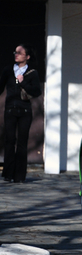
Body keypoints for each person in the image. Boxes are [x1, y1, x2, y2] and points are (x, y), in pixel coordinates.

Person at [0, 44, 42, 183]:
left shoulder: (32, 73)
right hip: (10, 110)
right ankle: (8, 174)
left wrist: (23, 83)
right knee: (9, 141)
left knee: (22, 143)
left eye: (19, 52)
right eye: (15, 52)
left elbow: (36, 91)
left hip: (25, 111)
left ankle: (19, 176)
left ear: (27, 57)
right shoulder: (8, 70)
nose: (16, 54)